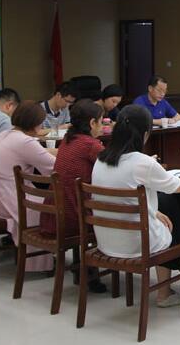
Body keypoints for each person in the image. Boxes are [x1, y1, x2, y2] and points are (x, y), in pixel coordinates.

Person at [91, 105, 180, 307]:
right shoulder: (142, 162)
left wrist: (153, 213)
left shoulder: (100, 159)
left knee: (164, 209)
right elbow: (179, 186)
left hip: (106, 241)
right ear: (145, 134)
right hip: (136, 244)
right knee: (171, 211)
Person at [39, 99, 107, 292]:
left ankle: (83, 270)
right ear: (92, 123)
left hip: (54, 213)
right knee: (109, 215)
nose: (102, 127)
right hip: (73, 217)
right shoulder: (89, 144)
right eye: (101, 122)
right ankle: (91, 273)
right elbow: (113, 167)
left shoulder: (68, 140)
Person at [0, 101, 57, 272]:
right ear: (34, 123)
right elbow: (53, 167)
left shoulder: (6, 134)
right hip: (8, 199)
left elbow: (37, 153)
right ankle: (40, 260)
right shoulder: (24, 142)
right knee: (52, 207)